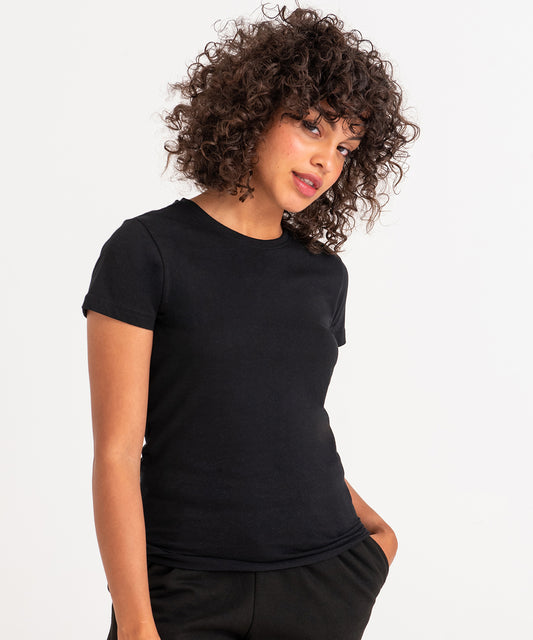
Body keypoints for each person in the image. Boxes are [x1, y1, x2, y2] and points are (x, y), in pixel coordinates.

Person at [82, 4, 419, 639]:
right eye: (313, 127)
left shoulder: (324, 275)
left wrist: (378, 540)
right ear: (255, 107)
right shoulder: (147, 252)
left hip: (321, 583)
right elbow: (117, 454)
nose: (327, 161)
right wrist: (137, 624)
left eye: (345, 147)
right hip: (184, 589)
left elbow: (287, 423)